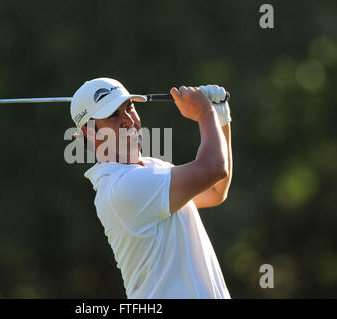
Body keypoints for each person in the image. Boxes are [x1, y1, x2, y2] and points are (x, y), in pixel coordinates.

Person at [70, 77, 233, 298]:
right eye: (113, 116)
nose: (128, 120)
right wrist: (205, 114)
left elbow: (214, 192)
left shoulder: (153, 168)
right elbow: (213, 168)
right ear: (89, 132)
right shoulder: (123, 187)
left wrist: (221, 118)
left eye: (129, 107)